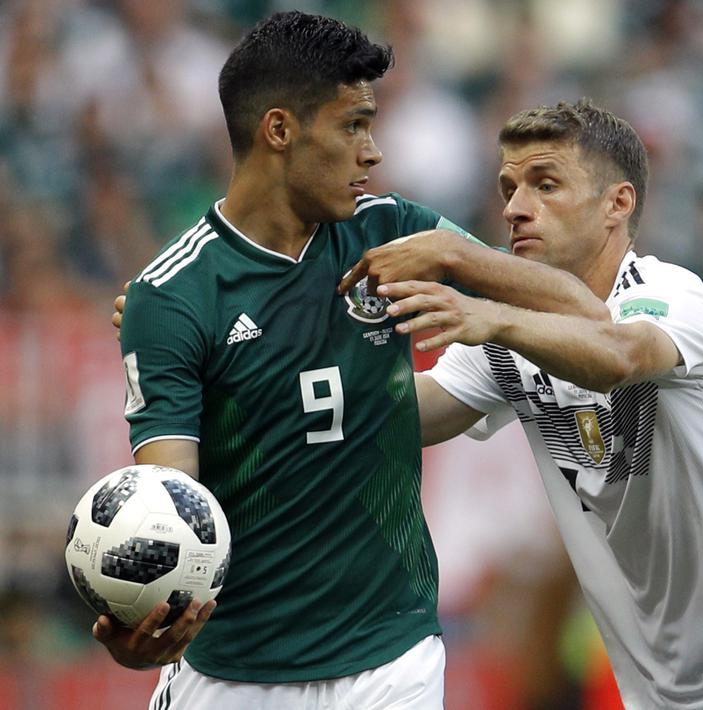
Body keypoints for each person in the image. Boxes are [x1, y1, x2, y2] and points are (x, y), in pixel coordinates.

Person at [107, 11, 604, 709]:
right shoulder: (173, 295)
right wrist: (147, 615)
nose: (372, 152)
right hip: (233, 674)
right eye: (352, 126)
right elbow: (170, 502)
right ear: (279, 131)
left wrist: (462, 255)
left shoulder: (393, 230)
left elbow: (582, 310)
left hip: (389, 659)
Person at [356, 99, 703, 710]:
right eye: (508, 188)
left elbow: (615, 354)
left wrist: (465, 266)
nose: (514, 207)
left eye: (545, 183)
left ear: (618, 203)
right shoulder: (512, 338)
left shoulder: (676, 299)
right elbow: (403, 417)